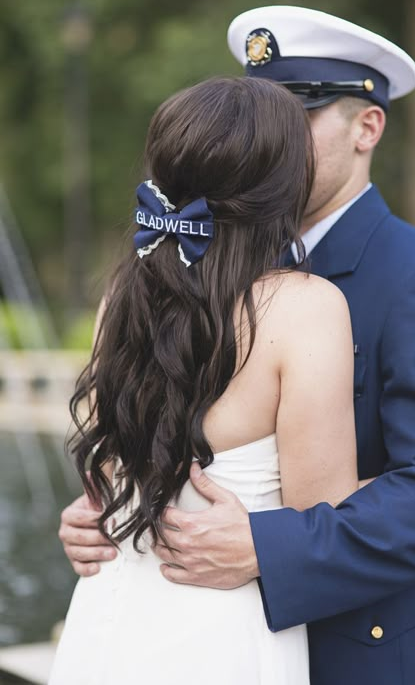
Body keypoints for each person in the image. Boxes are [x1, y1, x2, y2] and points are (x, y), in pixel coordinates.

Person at [59, 7, 415, 685]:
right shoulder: (182, 267)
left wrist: (267, 545)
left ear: (368, 126)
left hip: (361, 649)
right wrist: (114, 504)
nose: (270, 142)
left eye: (296, 119)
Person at [50, 75, 360, 685]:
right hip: (221, 630)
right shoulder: (306, 308)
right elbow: (325, 514)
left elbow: (110, 476)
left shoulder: (122, 295)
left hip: (107, 619)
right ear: (283, 182)